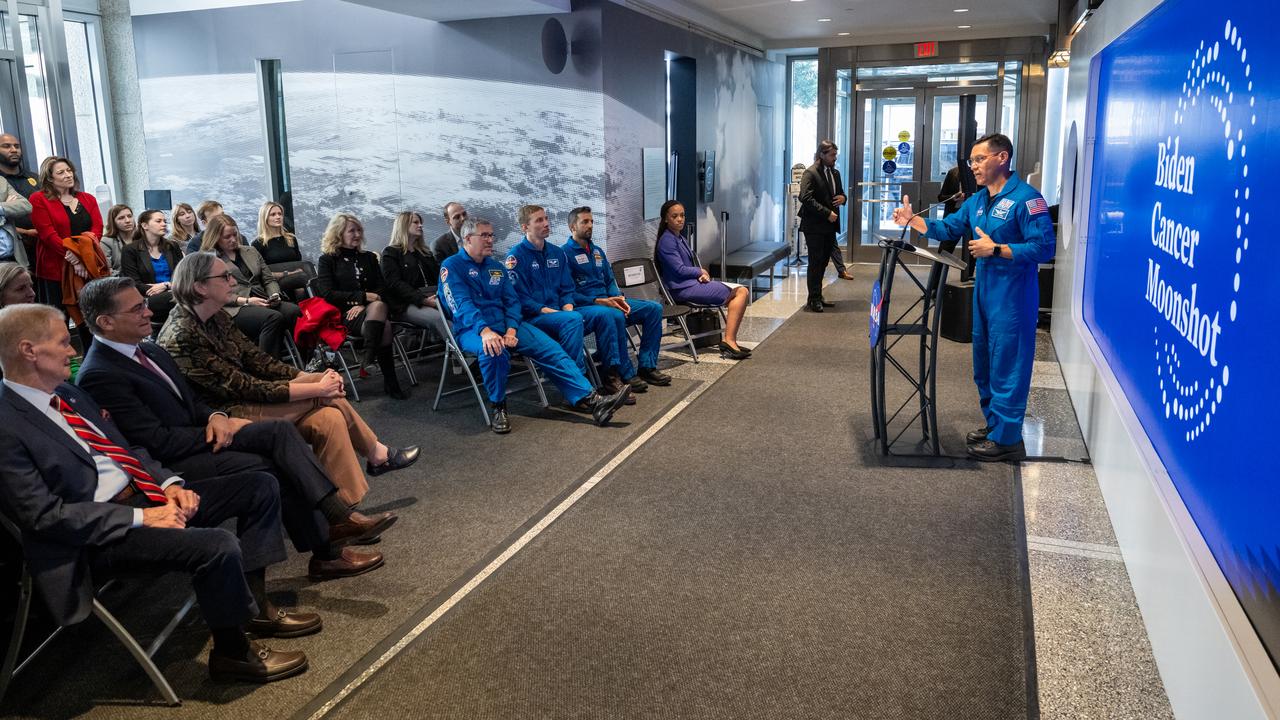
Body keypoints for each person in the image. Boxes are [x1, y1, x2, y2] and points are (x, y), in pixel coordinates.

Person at [0, 303, 312, 683]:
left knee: (259, 486)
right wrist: (142, 516)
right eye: (63, 343)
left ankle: (255, 608)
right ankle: (233, 653)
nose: (72, 351)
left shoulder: (66, 393)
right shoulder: (7, 424)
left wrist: (168, 484)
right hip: (97, 535)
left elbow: (127, 449)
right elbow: (45, 516)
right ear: (29, 350)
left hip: (142, 496)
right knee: (216, 545)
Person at [76, 277, 393, 580]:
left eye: (144, 304)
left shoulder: (149, 349)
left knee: (280, 434)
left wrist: (216, 417)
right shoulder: (100, 373)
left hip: (206, 432)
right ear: (106, 322)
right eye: (136, 309)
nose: (148, 312)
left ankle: (336, 522)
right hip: (176, 462)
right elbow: (153, 441)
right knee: (273, 463)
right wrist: (217, 427)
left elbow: (193, 400)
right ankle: (328, 546)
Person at [156, 252, 419, 505]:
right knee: (325, 396)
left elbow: (258, 361)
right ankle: (376, 454)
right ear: (200, 287)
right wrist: (317, 388)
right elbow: (244, 387)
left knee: (329, 419)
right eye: (225, 277)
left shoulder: (215, 316)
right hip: (224, 416)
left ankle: (344, 508)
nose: (233, 281)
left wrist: (308, 377)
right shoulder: (183, 334)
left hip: (245, 401)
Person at [892, 132, 1055, 462]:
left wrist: (997, 249)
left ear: (1002, 158)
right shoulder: (978, 201)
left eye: (980, 159)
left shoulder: (1028, 199)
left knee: (1008, 365)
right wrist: (915, 221)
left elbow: (1044, 248)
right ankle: (995, 426)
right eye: (972, 161)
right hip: (984, 293)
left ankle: (1008, 439)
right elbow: (949, 228)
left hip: (1013, 297)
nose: (974, 166)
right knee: (984, 365)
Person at [439, 217, 631, 434]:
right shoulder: (451, 267)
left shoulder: (496, 267)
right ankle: (498, 407)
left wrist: (511, 329)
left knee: (551, 349)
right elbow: (460, 304)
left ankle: (592, 400)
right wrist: (485, 331)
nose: (491, 240)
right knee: (493, 350)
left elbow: (512, 302)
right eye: (484, 235)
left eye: (491, 235)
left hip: (508, 326)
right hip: (473, 330)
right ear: (467, 238)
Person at [506, 204, 637, 402]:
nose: (546, 223)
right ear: (525, 227)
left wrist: (567, 306)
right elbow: (519, 298)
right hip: (536, 318)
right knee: (573, 320)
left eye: (546, 218)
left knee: (608, 314)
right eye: (539, 220)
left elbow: (567, 288)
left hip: (563, 313)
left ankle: (610, 376)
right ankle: (582, 385)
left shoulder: (556, 253)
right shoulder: (516, 257)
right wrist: (550, 311)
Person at [561, 206, 671, 388]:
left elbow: (610, 280)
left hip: (610, 301)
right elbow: (567, 293)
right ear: (572, 227)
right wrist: (598, 301)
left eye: (592, 221)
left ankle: (647, 366)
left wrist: (618, 298)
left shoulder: (597, 251)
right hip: (588, 305)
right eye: (585, 222)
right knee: (616, 315)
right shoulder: (564, 255)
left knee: (654, 309)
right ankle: (625, 373)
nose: (590, 225)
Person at [315, 213, 408, 400]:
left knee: (382, 318)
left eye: (359, 230)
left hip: (371, 312)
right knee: (384, 324)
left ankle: (369, 359)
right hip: (344, 315)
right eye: (352, 231)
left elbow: (382, 287)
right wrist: (361, 298)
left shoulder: (369, 257)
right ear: (339, 233)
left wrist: (364, 304)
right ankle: (389, 380)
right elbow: (327, 294)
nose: (357, 235)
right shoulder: (327, 260)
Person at [653, 200, 750, 359]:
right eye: (675, 216)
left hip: (691, 284)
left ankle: (730, 340)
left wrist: (699, 275)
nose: (680, 219)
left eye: (682, 215)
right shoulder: (667, 241)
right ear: (665, 219)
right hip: (682, 289)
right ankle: (729, 341)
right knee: (741, 292)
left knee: (740, 292)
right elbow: (679, 270)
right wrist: (700, 271)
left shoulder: (679, 237)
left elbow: (686, 267)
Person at [202, 213, 301, 357]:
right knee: (273, 318)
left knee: (294, 311)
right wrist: (247, 301)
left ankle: (305, 359)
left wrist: (274, 294)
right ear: (215, 238)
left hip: (263, 298)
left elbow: (268, 279)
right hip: (235, 307)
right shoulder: (209, 260)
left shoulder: (251, 251)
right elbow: (215, 294)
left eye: (235, 234)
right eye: (227, 237)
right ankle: (266, 364)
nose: (233, 239)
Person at [28, 157, 104, 328]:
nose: (68, 175)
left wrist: (81, 257)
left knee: (91, 317)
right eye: (61, 172)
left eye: (69, 170)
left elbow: (97, 229)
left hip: (87, 266)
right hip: (55, 268)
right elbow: (48, 235)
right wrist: (75, 258)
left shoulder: (88, 198)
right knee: (56, 320)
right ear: (49, 178)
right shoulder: (38, 199)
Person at [798, 139, 845, 313]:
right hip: (814, 226)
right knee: (815, 262)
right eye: (832, 155)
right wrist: (826, 213)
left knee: (824, 262)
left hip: (829, 226)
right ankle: (813, 299)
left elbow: (840, 194)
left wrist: (843, 198)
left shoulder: (835, 173)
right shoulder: (810, 173)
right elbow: (805, 197)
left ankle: (817, 295)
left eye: (835, 155)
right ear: (822, 155)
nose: (835, 158)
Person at [381, 210, 445, 339]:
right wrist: (423, 300)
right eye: (415, 222)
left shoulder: (425, 253)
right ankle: (464, 349)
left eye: (420, 222)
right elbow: (394, 284)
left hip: (433, 298)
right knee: (439, 319)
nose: (420, 225)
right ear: (403, 225)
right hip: (406, 304)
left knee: (461, 312)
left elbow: (438, 278)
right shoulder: (390, 253)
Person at [119, 209, 183, 325]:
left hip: (174, 291)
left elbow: (182, 275)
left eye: (165, 221)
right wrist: (158, 289)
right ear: (145, 226)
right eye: (158, 221)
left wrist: (166, 285)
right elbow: (132, 283)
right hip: (148, 297)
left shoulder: (172, 246)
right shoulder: (130, 250)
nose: (164, 224)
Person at [251, 200, 308, 297]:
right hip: (274, 285)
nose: (278, 217)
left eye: (280, 214)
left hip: (297, 281)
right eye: (273, 214)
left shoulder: (291, 238)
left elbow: (298, 263)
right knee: (300, 282)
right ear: (265, 218)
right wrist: (287, 274)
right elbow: (259, 273)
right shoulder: (258, 243)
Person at [0, 133, 39, 265]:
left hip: (41, 243)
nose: (13, 150)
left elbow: (25, 205)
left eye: (16, 146)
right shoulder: (2, 181)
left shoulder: (34, 178)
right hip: (13, 248)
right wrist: (24, 232)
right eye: (6, 146)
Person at [101, 204, 135, 275]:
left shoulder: (141, 237)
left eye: (129, 216)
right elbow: (107, 271)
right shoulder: (106, 242)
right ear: (113, 222)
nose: (127, 220)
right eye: (121, 218)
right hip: (121, 280)